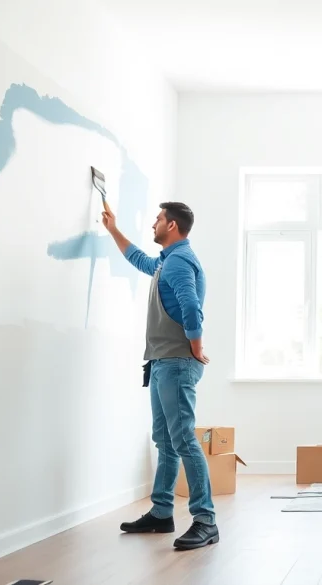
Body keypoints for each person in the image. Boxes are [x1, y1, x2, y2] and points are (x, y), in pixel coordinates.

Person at [102, 203, 219, 551]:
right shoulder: (166, 261)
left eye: (156, 219)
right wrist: (113, 229)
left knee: (183, 439)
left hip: (177, 362)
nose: (153, 224)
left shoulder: (181, 261)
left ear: (171, 224)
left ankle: (205, 520)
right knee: (166, 442)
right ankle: (162, 512)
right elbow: (140, 260)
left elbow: (190, 306)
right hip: (161, 361)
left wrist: (195, 348)